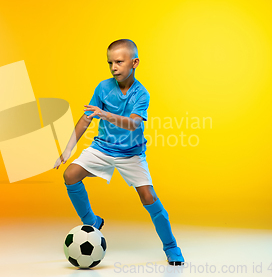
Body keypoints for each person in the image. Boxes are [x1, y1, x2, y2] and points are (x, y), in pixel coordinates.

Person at [53, 39, 184, 266]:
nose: (114, 67)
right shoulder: (103, 88)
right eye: (110, 62)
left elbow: (134, 124)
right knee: (70, 175)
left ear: (134, 63)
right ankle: (92, 220)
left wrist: (105, 115)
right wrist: (68, 148)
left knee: (148, 197)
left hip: (131, 154)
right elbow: (87, 117)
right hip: (102, 147)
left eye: (119, 62)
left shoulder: (141, 94)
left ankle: (171, 246)